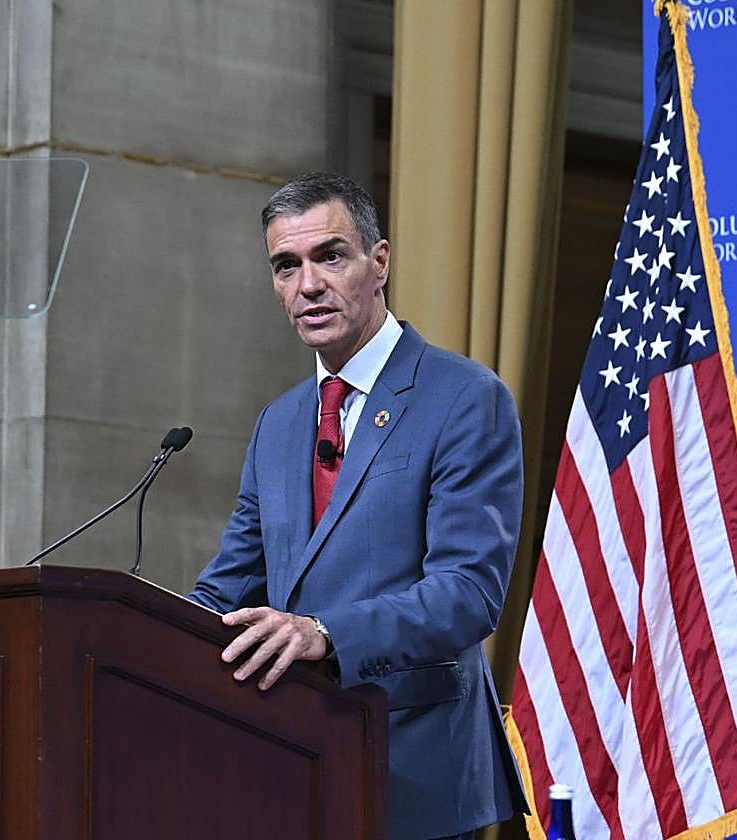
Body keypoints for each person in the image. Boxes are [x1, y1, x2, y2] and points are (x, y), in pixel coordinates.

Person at [188, 172, 527, 839]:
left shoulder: (464, 398)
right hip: (295, 765)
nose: (307, 284)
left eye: (329, 256)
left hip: (417, 775)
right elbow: (228, 587)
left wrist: (326, 632)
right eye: (286, 267)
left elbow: (467, 593)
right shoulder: (278, 424)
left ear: (379, 263)